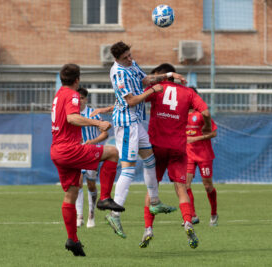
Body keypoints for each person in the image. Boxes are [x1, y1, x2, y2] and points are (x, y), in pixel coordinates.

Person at [91, 41, 186, 239]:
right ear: (117, 59)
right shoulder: (118, 73)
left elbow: (146, 79)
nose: (130, 58)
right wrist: (153, 91)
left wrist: (169, 76)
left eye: (129, 54)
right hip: (126, 124)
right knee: (128, 168)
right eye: (125, 57)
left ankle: (155, 201)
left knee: (150, 160)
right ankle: (114, 215)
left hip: (136, 123)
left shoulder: (132, 65)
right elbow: (131, 100)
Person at [50, 64, 124, 257]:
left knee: (71, 194)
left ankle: (73, 240)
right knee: (113, 153)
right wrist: (98, 122)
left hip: (58, 151)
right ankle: (105, 198)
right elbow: (73, 118)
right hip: (69, 149)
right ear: (77, 80)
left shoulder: (58, 95)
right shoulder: (73, 95)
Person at [139, 63, 211, 249]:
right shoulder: (188, 92)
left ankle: (148, 228)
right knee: (181, 188)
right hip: (178, 147)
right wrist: (207, 127)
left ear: (162, 76)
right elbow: (206, 112)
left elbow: (138, 96)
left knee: (152, 188)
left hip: (156, 146)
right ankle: (187, 222)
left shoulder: (156, 89)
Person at [75, 87, 109, 228]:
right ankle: (80, 216)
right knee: (77, 182)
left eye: (82, 98)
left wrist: (92, 142)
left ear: (86, 99)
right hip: (76, 152)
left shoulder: (93, 113)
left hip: (90, 152)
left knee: (91, 184)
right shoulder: (72, 114)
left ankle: (91, 214)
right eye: (77, 98)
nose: (80, 101)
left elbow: (105, 133)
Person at [185, 87, 218, 227]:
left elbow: (213, 133)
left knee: (208, 186)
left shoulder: (202, 114)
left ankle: (214, 214)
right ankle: (193, 215)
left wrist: (196, 138)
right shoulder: (180, 114)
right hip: (188, 155)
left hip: (204, 155)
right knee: (185, 185)